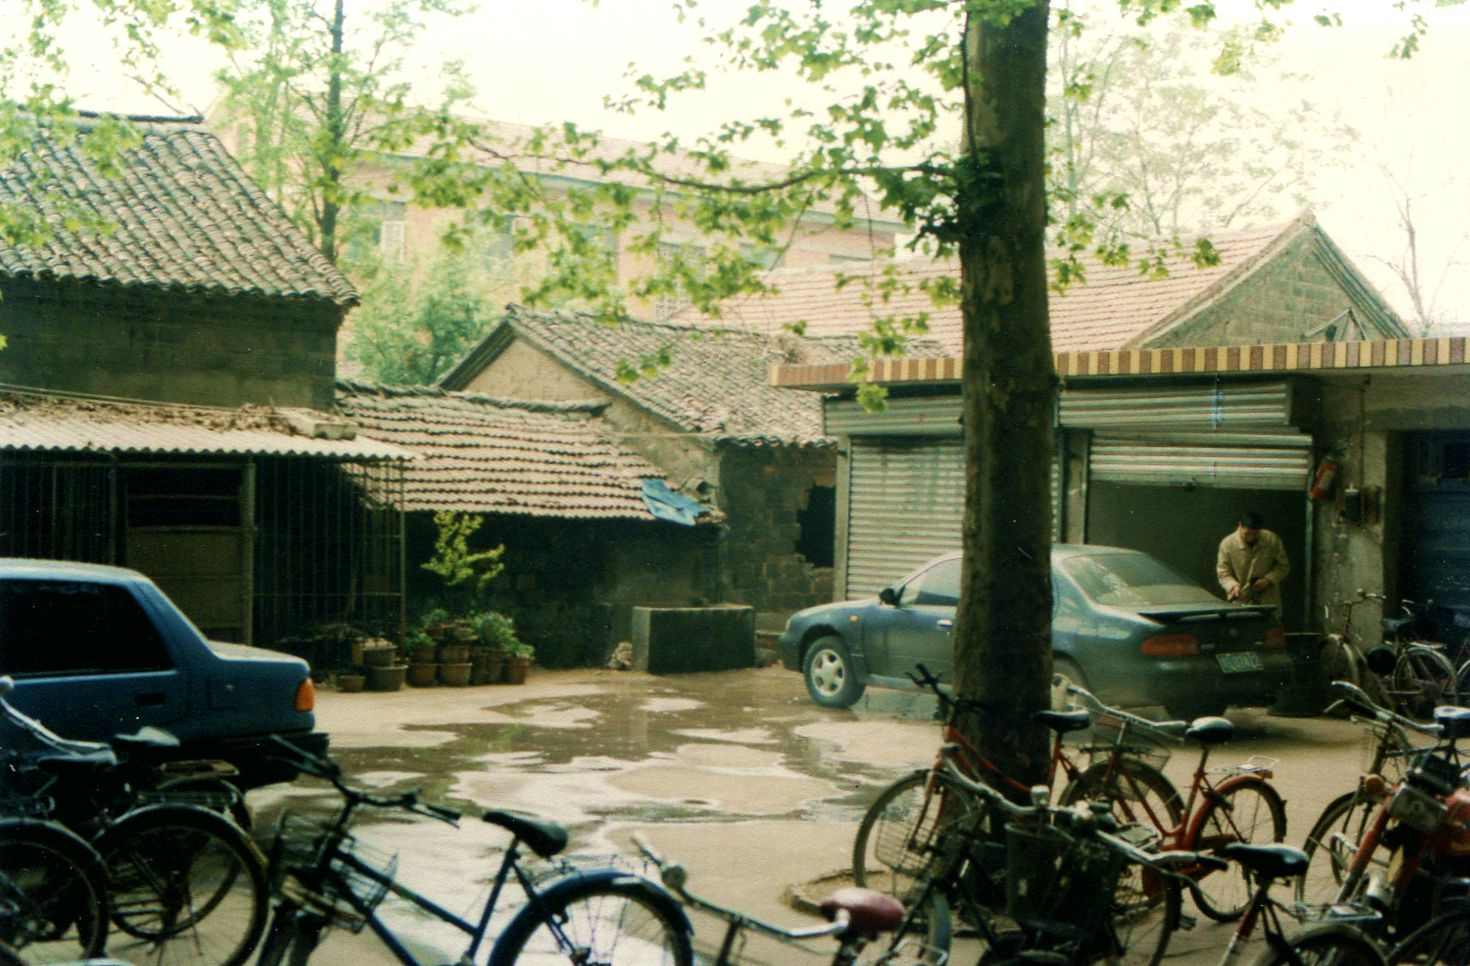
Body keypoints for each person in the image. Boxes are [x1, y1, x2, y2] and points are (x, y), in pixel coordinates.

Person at [1216, 511, 1290, 615]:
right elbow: (1223, 573)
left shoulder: (1271, 539)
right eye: (1247, 534)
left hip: (1268, 601)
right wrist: (1233, 586)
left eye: (1255, 534)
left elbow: (1283, 566)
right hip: (1240, 600)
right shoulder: (1227, 544)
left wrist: (1268, 580)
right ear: (1239, 526)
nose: (1250, 537)